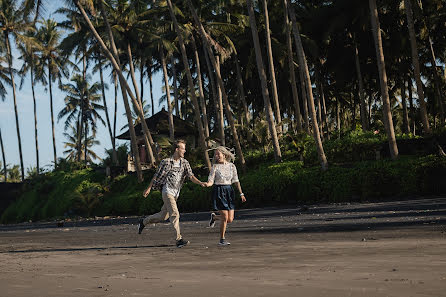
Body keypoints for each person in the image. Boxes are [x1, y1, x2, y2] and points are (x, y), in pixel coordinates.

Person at [138, 139, 206, 248]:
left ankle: (144, 221)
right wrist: (149, 188)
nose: (185, 151)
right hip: (167, 191)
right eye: (183, 149)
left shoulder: (184, 163)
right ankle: (178, 239)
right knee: (175, 213)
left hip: (176, 194)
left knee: (163, 216)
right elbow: (156, 176)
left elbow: (191, 176)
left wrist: (200, 183)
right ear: (176, 149)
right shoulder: (166, 162)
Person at [205, 146, 246, 246]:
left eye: (218, 154)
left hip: (229, 191)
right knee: (224, 217)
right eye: (215, 154)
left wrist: (241, 194)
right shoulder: (215, 167)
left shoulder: (232, 166)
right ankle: (222, 239)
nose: (216, 156)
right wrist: (207, 184)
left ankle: (214, 218)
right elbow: (211, 180)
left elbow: (236, 181)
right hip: (219, 191)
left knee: (229, 219)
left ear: (224, 154)